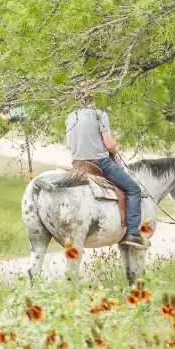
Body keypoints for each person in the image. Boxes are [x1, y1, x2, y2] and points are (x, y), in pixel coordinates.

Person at [66, 103, 146, 249]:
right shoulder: (100, 114)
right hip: (100, 164)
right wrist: (115, 149)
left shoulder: (71, 116)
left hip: (78, 165)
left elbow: (69, 146)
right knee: (133, 188)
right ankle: (133, 234)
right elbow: (109, 144)